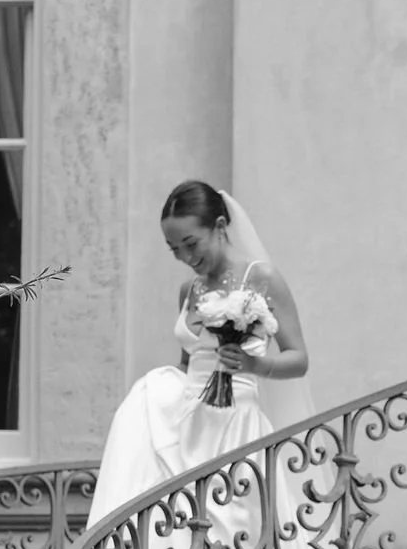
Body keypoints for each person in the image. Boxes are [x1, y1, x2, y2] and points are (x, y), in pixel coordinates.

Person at [88, 179, 311, 525]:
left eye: (191, 243)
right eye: (174, 249)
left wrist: (256, 363)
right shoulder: (188, 290)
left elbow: (298, 358)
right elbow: (188, 363)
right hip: (190, 421)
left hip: (236, 421)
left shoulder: (261, 277)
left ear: (220, 227)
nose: (186, 258)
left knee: (237, 528)